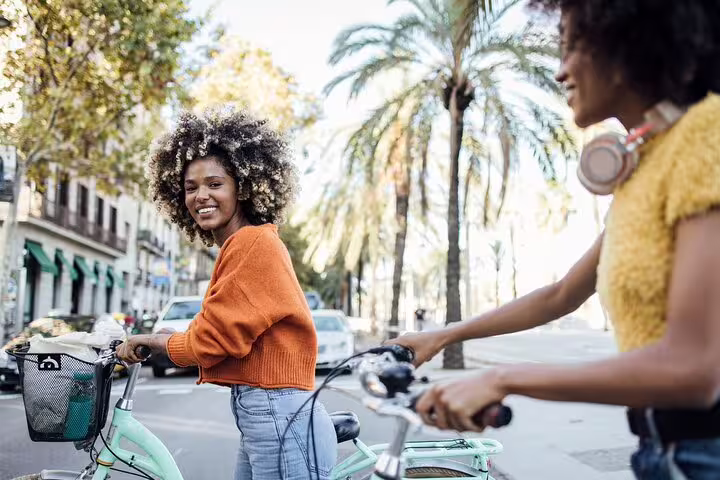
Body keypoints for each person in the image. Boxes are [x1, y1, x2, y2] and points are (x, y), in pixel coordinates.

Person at [388, 1, 720, 479]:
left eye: (571, 46)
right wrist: (444, 335)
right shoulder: (641, 171)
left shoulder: (704, 135)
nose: (560, 72)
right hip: (657, 451)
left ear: (627, 40)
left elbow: (695, 368)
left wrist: (503, 378)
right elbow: (560, 295)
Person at [117, 108, 337, 480]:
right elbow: (227, 328)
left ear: (243, 187)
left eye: (215, 184)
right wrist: (173, 339)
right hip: (269, 411)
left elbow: (213, 342)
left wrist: (153, 340)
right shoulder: (245, 244)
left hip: (277, 414)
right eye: (190, 187)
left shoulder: (251, 244)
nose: (201, 195)